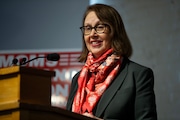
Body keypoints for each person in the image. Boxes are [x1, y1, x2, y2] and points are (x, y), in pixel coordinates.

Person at [66, 3, 157, 120]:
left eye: (100, 27)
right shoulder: (78, 79)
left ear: (114, 31)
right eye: (88, 28)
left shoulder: (138, 75)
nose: (93, 34)